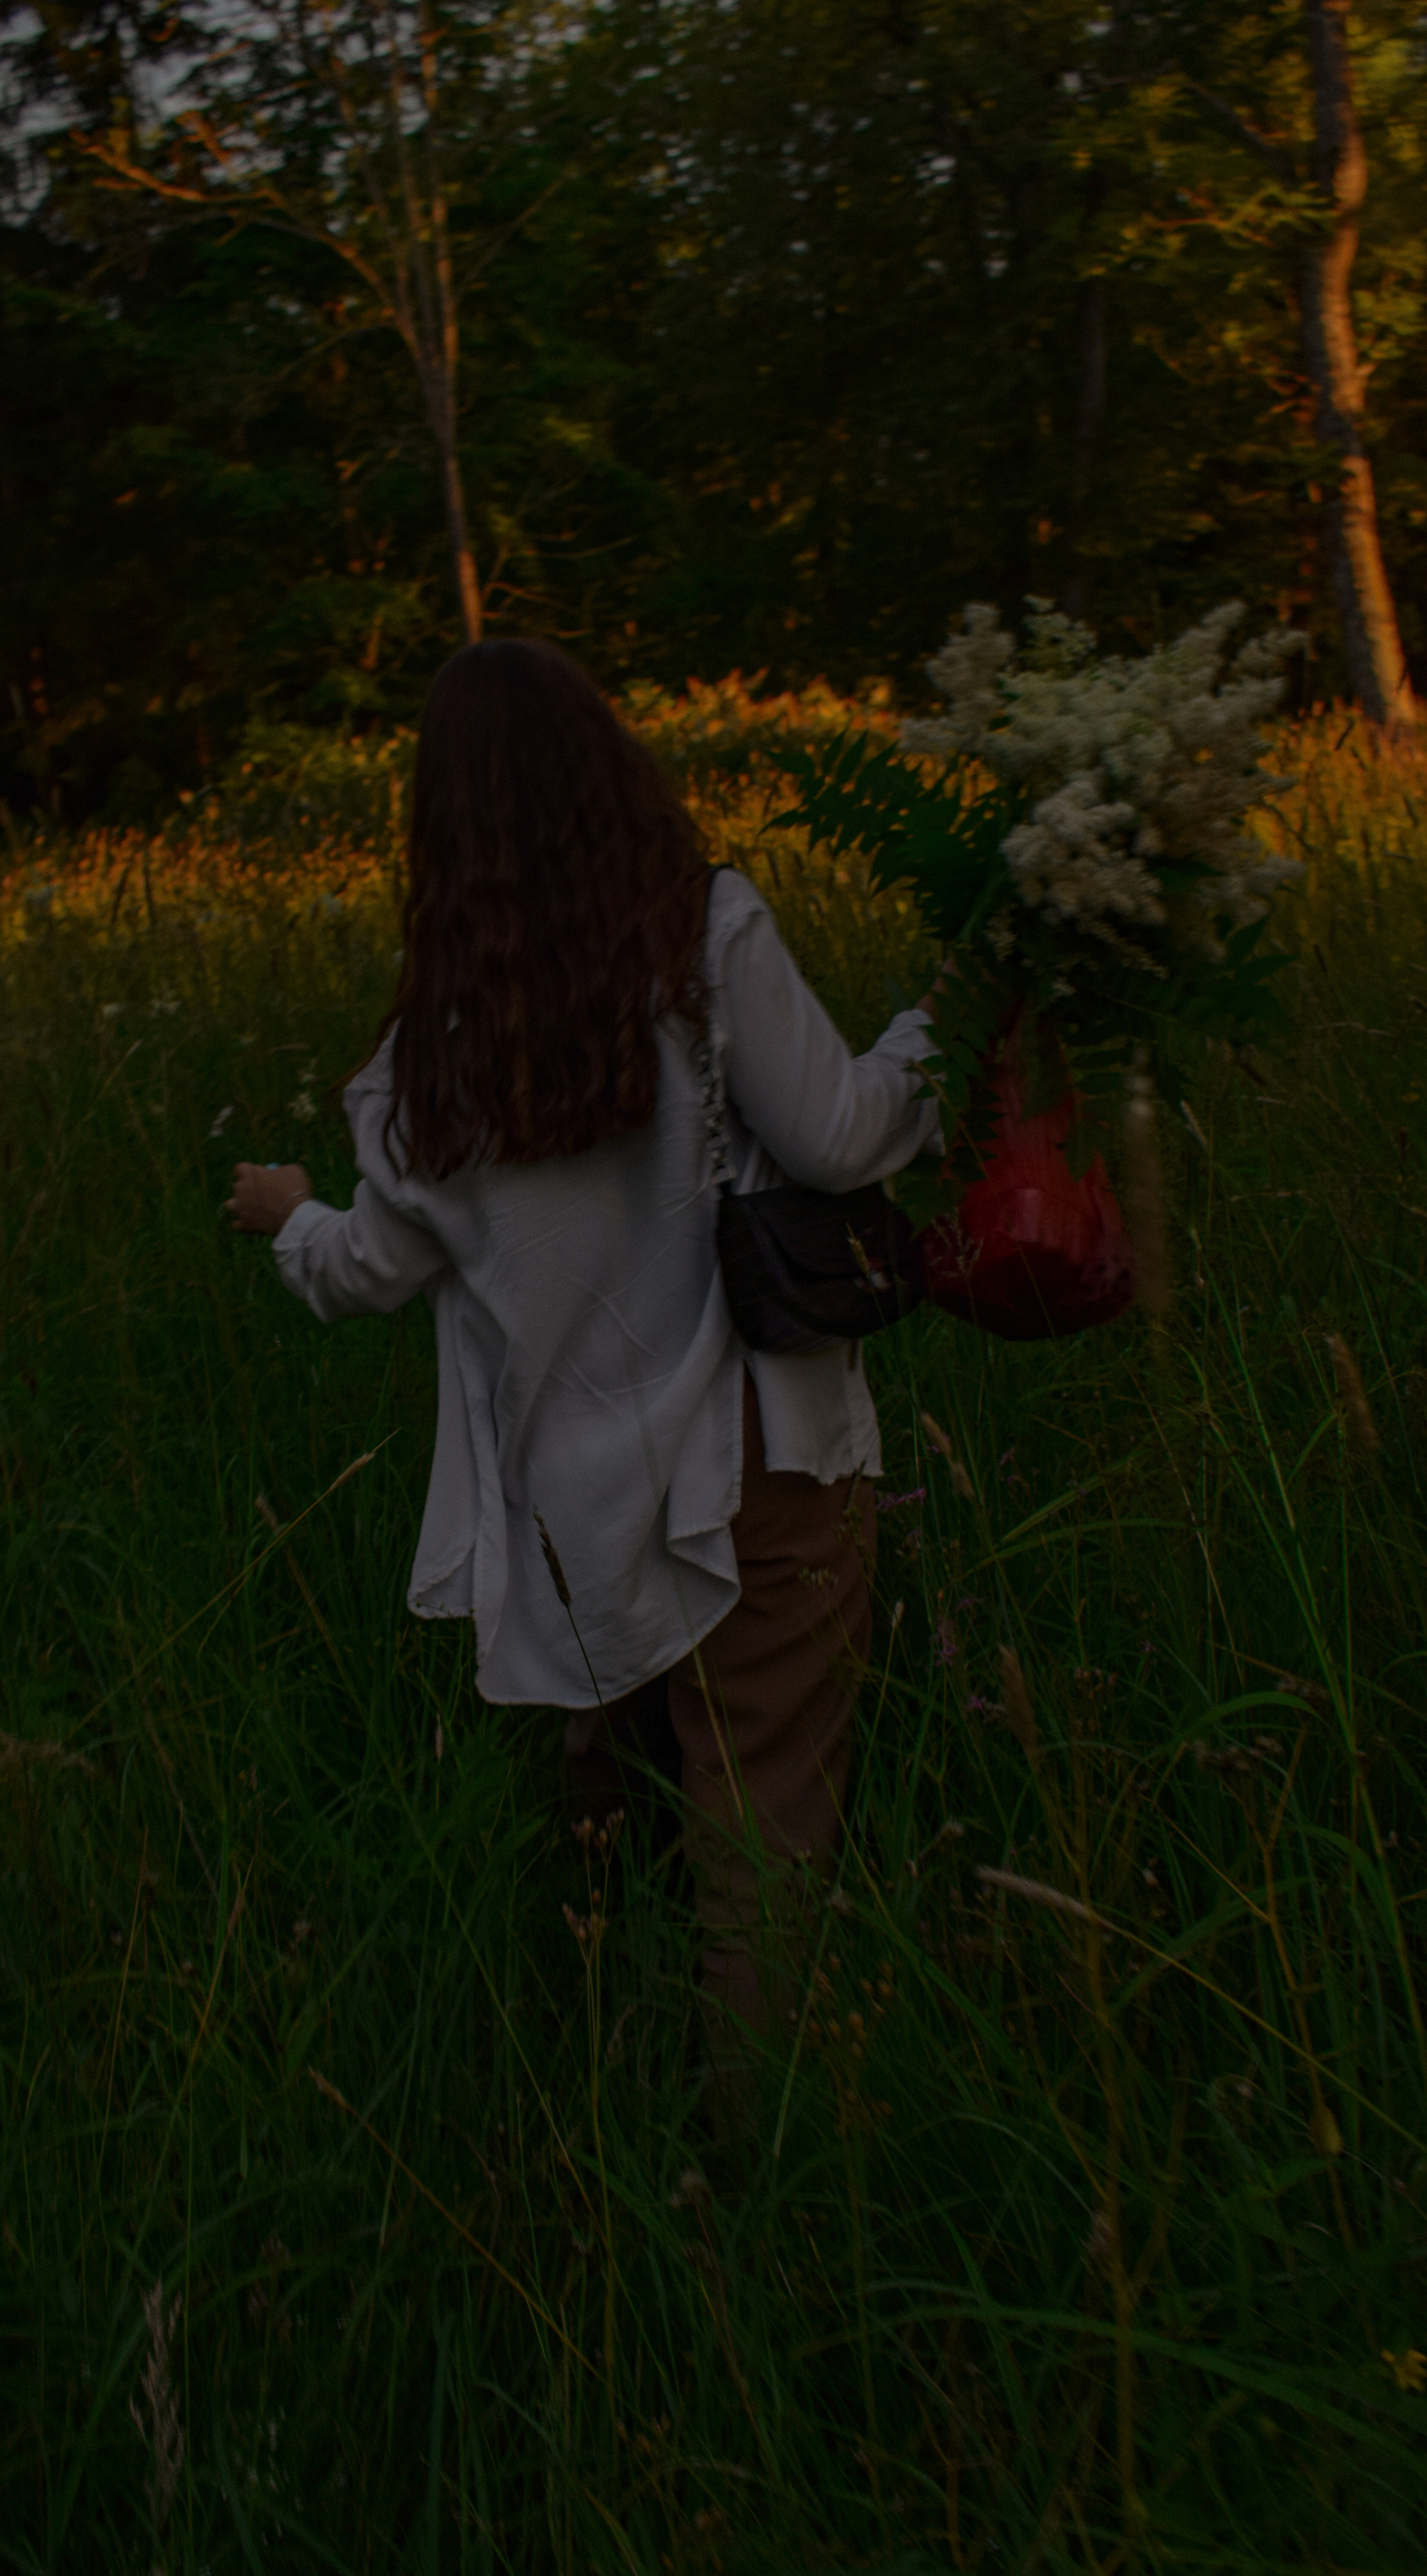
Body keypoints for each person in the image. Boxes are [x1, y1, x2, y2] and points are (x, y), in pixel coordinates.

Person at [227, 639, 939, 2092]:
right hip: (759, 1458)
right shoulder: (707, 935)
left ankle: (588, 2119)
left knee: (604, 1827)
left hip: (569, 1515)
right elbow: (844, 1139)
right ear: (609, 769)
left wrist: (283, 1213)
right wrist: (942, 1024)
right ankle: (759, 2204)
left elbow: (365, 1269)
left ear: (440, 831)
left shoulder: (433, 1050)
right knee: (760, 1842)